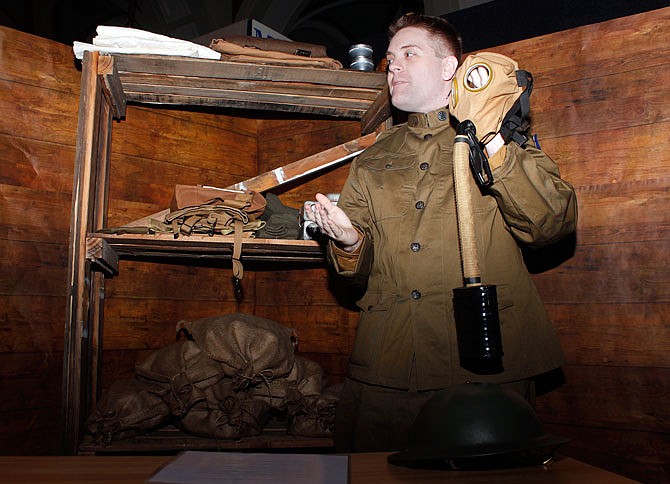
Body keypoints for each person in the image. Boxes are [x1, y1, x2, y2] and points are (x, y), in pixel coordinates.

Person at [306, 13, 577, 453]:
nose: (393, 66)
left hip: (486, 363)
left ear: (450, 67)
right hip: (389, 367)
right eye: (390, 58)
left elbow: (551, 225)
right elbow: (353, 275)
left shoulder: (499, 137)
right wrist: (349, 242)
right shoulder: (372, 160)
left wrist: (491, 140)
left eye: (409, 54)